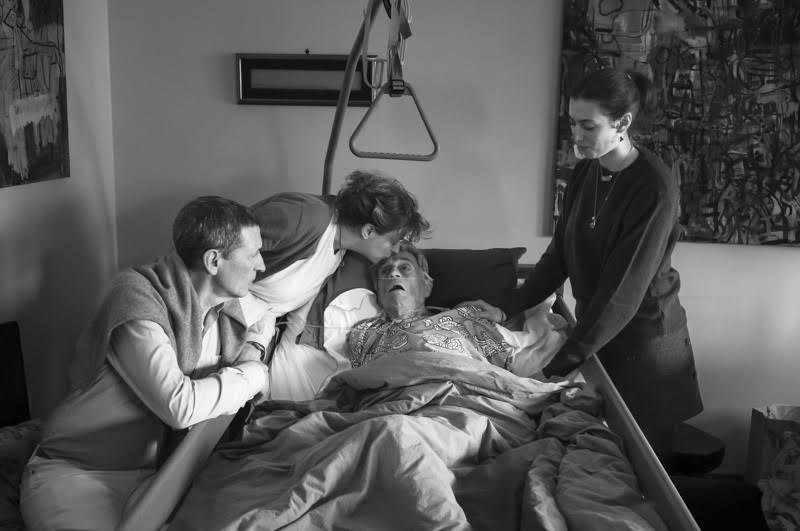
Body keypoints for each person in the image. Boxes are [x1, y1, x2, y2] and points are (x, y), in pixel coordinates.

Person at [20, 196, 271, 531]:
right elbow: (179, 406)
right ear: (213, 261)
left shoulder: (222, 304)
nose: (261, 265)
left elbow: (266, 316)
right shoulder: (135, 300)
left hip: (161, 476)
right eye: (253, 254)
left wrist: (254, 347)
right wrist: (254, 374)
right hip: (78, 474)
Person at [502, 68, 703, 461]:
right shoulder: (585, 171)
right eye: (572, 123)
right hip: (599, 334)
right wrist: (509, 307)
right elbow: (559, 255)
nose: (576, 135)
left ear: (622, 123)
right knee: (596, 454)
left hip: (644, 347)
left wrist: (555, 367)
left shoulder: (654, 188)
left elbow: (621, 295)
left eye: (588, 126)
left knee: (637, 467)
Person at [244, 169, 431, 399]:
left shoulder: (339, 252)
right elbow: (218, 253)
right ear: (368, 231)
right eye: (393, 242)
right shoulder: (304, 217)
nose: (395, 250)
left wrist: (256, 343)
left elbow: (269, 304)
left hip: (251, 328)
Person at [347, 242, 568, 376]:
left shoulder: (467, 317)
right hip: (390, 404)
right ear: (378, 291)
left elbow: (506, 370)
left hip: (459, 402)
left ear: (427, 285)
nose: (394, 274)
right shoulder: (362, 333)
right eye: (385, 272)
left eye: (405, 268)